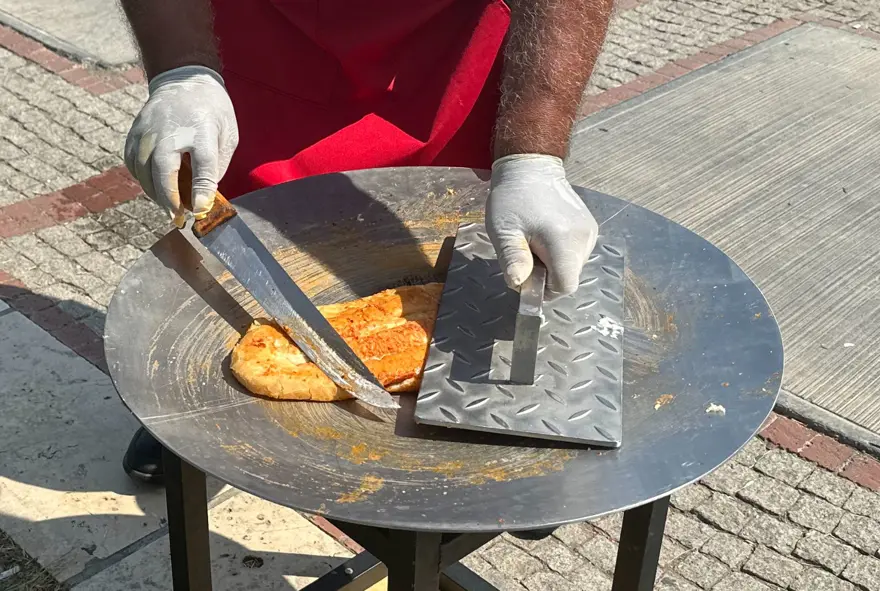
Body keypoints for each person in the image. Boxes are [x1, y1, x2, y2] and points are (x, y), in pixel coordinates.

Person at [119, 0, 613, 485]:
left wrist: (534, 150)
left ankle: (504, 441)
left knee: (470, 249)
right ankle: (204, 418)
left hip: (448, 48)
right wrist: (181, 70)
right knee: (257, 237)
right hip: (267, 38)